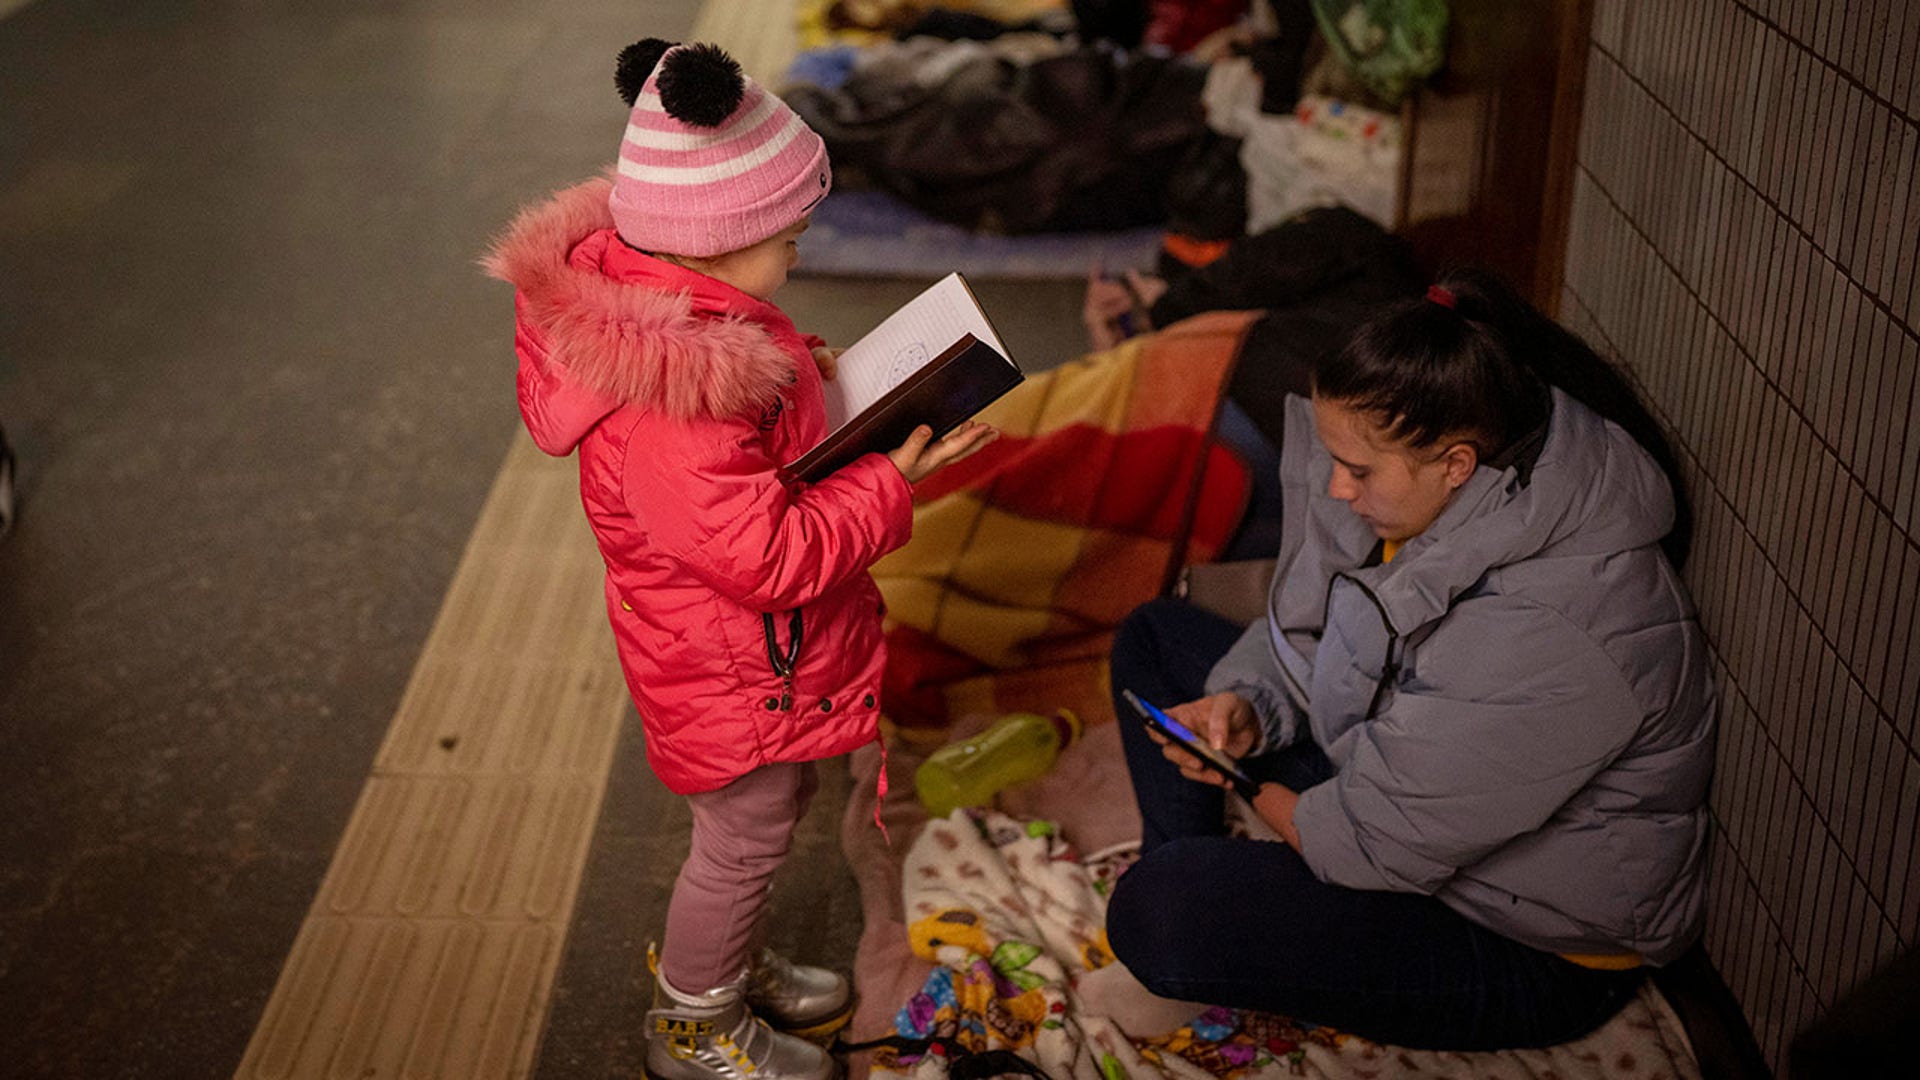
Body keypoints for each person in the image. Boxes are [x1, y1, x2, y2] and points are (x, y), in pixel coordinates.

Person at [484, 39, 996, 1080]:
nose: (800, 255)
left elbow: (747, 456)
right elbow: (767, 555)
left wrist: (811, 386)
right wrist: (889, 481)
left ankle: (721, 959)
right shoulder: (675, 405)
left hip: (738, 656)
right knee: (743, 841)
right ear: (718, 243)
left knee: (757, 830)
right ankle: (692, 1022)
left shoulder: (685, 315)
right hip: (733, 668)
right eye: (790, 238)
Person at [1101, 267, 1715, 1050]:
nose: (1337, 488)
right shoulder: (1438, 487)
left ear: (1456, 463)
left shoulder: (1558, 623)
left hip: (1530, 941)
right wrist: (1250, 708)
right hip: (1401, 787)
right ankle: (1197, 897)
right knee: (1156, 638)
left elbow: (1372, 842)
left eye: (1358, 471)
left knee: (1160, 910)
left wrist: (1250, 784)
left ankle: (1196, 911)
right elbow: (1312, 632)